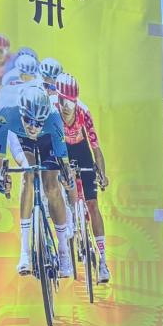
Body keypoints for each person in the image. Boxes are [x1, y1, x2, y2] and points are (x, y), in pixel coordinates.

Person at [0, 84, 77, 279]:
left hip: (48, 140)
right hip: (20, 138)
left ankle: (63, 250)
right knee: (28, 173)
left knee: (52, 186)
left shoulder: (53, 119)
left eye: (38, 122)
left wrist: (67, 177)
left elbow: (64, 163)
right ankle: (24, 253)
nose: (33, 127)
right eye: (29, 120)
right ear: (20, 112)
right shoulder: (5, 115)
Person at [54, 73, 111, 283]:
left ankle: (103, 261)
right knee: (63, 189)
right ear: (58, 99)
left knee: (92, 204)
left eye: (72, 102)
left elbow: (96, 148)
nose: (67, 107)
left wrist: (102, 174)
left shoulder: (83, 112)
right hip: (61, 150)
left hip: (81, 149)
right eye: (64, 101)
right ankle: (68, 221)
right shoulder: (53, 112)